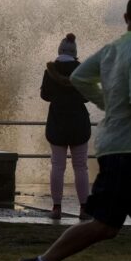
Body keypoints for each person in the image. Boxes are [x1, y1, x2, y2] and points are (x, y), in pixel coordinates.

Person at [18, 0, 131, 261]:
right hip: (130, 152)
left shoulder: (111, 49)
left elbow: (79, 78)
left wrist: (106, 102)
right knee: (106, 226)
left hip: (119, 149)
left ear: (126, 19)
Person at [40, 33, 92, 220]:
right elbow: (87, 96)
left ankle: (56, 208)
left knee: (57, 166)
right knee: (80, 167)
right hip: (78, 123)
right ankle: (84, 208)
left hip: (57, 122)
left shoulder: (50, 71)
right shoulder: (82, 70)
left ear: (59, 51)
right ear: (75, 52)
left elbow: (45, 96)